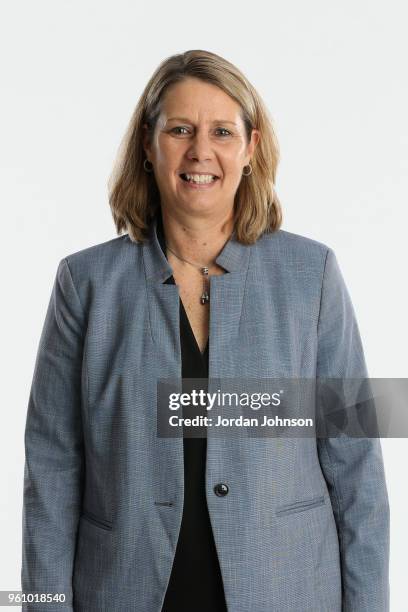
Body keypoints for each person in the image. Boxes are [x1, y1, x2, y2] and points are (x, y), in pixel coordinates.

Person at [21, 49, 390, 612]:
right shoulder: (85, 283)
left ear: (250, 148)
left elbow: (357, 470)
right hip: (123, 590)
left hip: (284, 590)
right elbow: (50, 470)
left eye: (222, 130)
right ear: (148, 146)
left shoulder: (312, 276)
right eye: (180, 129)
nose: (201, 151)